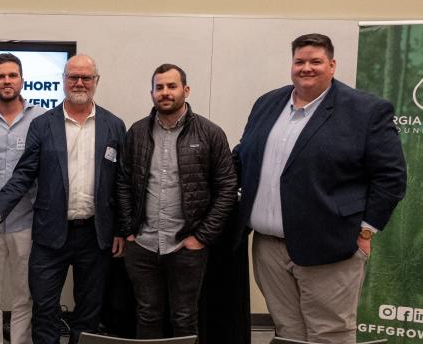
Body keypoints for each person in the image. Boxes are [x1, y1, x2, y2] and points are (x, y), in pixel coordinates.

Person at [234, 33, 407, 344]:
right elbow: (243, 156)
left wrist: (366, 230)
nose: (306, 68)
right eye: (300, 61)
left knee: (329, 334)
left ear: (332, 65)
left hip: (332, 245)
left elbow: (391, 176)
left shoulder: (365, 111)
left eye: (316, 61)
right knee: (288, 332)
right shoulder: (268, 103)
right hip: (268, 248)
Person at [0, 54, 126, 344]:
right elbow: (24, 174)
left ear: (96, 81)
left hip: (95, 236)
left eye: (86, 77)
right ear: (63, 81)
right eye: (73, 77)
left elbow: (121, 182)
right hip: (50, 235)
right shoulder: (43, 124)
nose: (80, 83)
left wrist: (122, 229)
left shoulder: (114, 125)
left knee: (87, 313)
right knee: (45, 310)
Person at [115, 63, 236, 339]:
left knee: (184, 317)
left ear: (186, 90)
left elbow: (227, 188)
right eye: (159, 87)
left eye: (172, 86)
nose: (165, 92)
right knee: (147, 314)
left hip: (186, 246)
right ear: (152, 93)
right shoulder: (137, 132)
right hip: (143, 245)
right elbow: (122, 182)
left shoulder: (210, 133)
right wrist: (129, 232)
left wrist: (201, 237)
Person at [0, 53, 45, 344]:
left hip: (26, 220)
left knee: (23, 296)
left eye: (12, 75)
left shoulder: (42, 118)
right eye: (1, 76)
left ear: (22, 80)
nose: (7, 81)